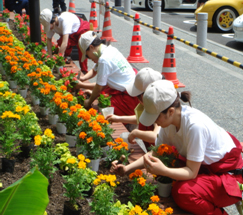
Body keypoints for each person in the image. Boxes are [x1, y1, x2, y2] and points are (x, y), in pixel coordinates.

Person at [111, 79, 243, 215]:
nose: (154, 123)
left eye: (156, 118)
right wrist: (127, 169)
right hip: (205, 167)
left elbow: (191, 172)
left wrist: (164, 170)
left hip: (229, 176)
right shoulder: (170, 122)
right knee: (168, 166)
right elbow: (155, 153)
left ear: (170, 111)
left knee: (182, 192)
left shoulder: (195, 126)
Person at [77, 31, 140, 118]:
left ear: (91, 47)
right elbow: (95, 69)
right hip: (133, 91)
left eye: (87, 56)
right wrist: (83, 79)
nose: (89, 58)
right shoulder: (109, 50)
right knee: (102, 96)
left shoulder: (104, 59)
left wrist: (89, 102)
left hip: (128, 98)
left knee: (104, 109)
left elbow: (100, 86)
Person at [106, 67, 163, 149]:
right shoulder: (149, 104)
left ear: (145, 96)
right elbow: (141, 118)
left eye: (138, 97)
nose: (137, 100)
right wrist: (118, 118)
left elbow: (155, 136)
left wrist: (135, 133)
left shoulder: (159, 108)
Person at [39, 8, 90, 73]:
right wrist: (50, 56)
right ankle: (67, 57)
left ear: (53, 20)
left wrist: (58, 59)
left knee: (81, 47)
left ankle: (84, 70)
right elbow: (49, 40)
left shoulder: (64, 20)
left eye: (50, 26)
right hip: (70, 34)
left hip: (80, 29)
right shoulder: (52, 25)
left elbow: (64, 43)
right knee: (60, 42)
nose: (50, 28)